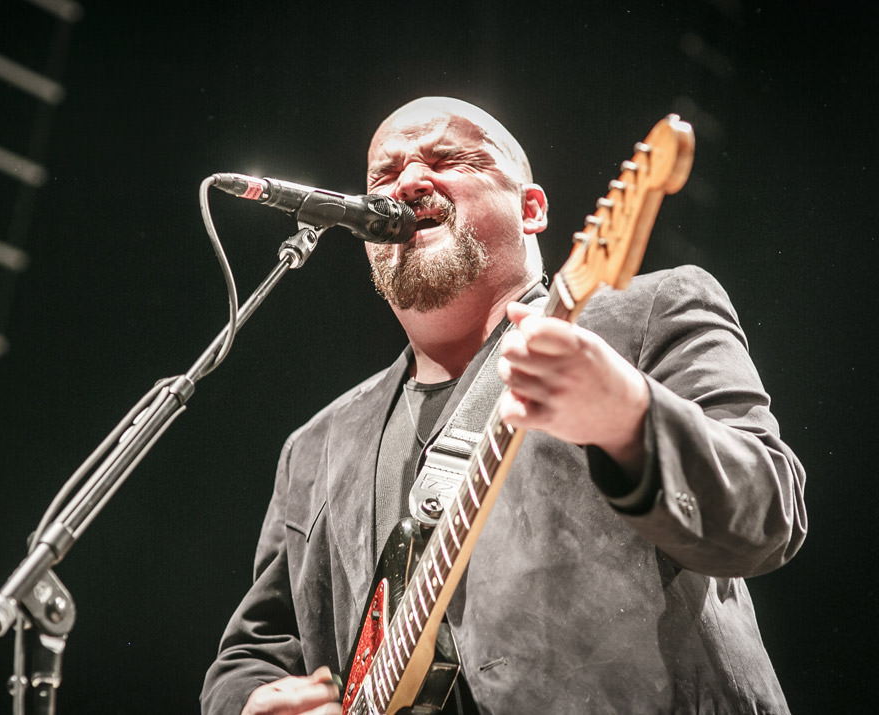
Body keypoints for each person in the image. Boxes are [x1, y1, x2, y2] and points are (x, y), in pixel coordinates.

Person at [200, 97, 807, 714]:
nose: (409, 181)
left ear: (531, 208)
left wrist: (628, 414)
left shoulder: (647, 314)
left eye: (448, 158)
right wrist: (250, 704)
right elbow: (255, 652)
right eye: (384, 176)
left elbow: (766, 518)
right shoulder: (315, 445)